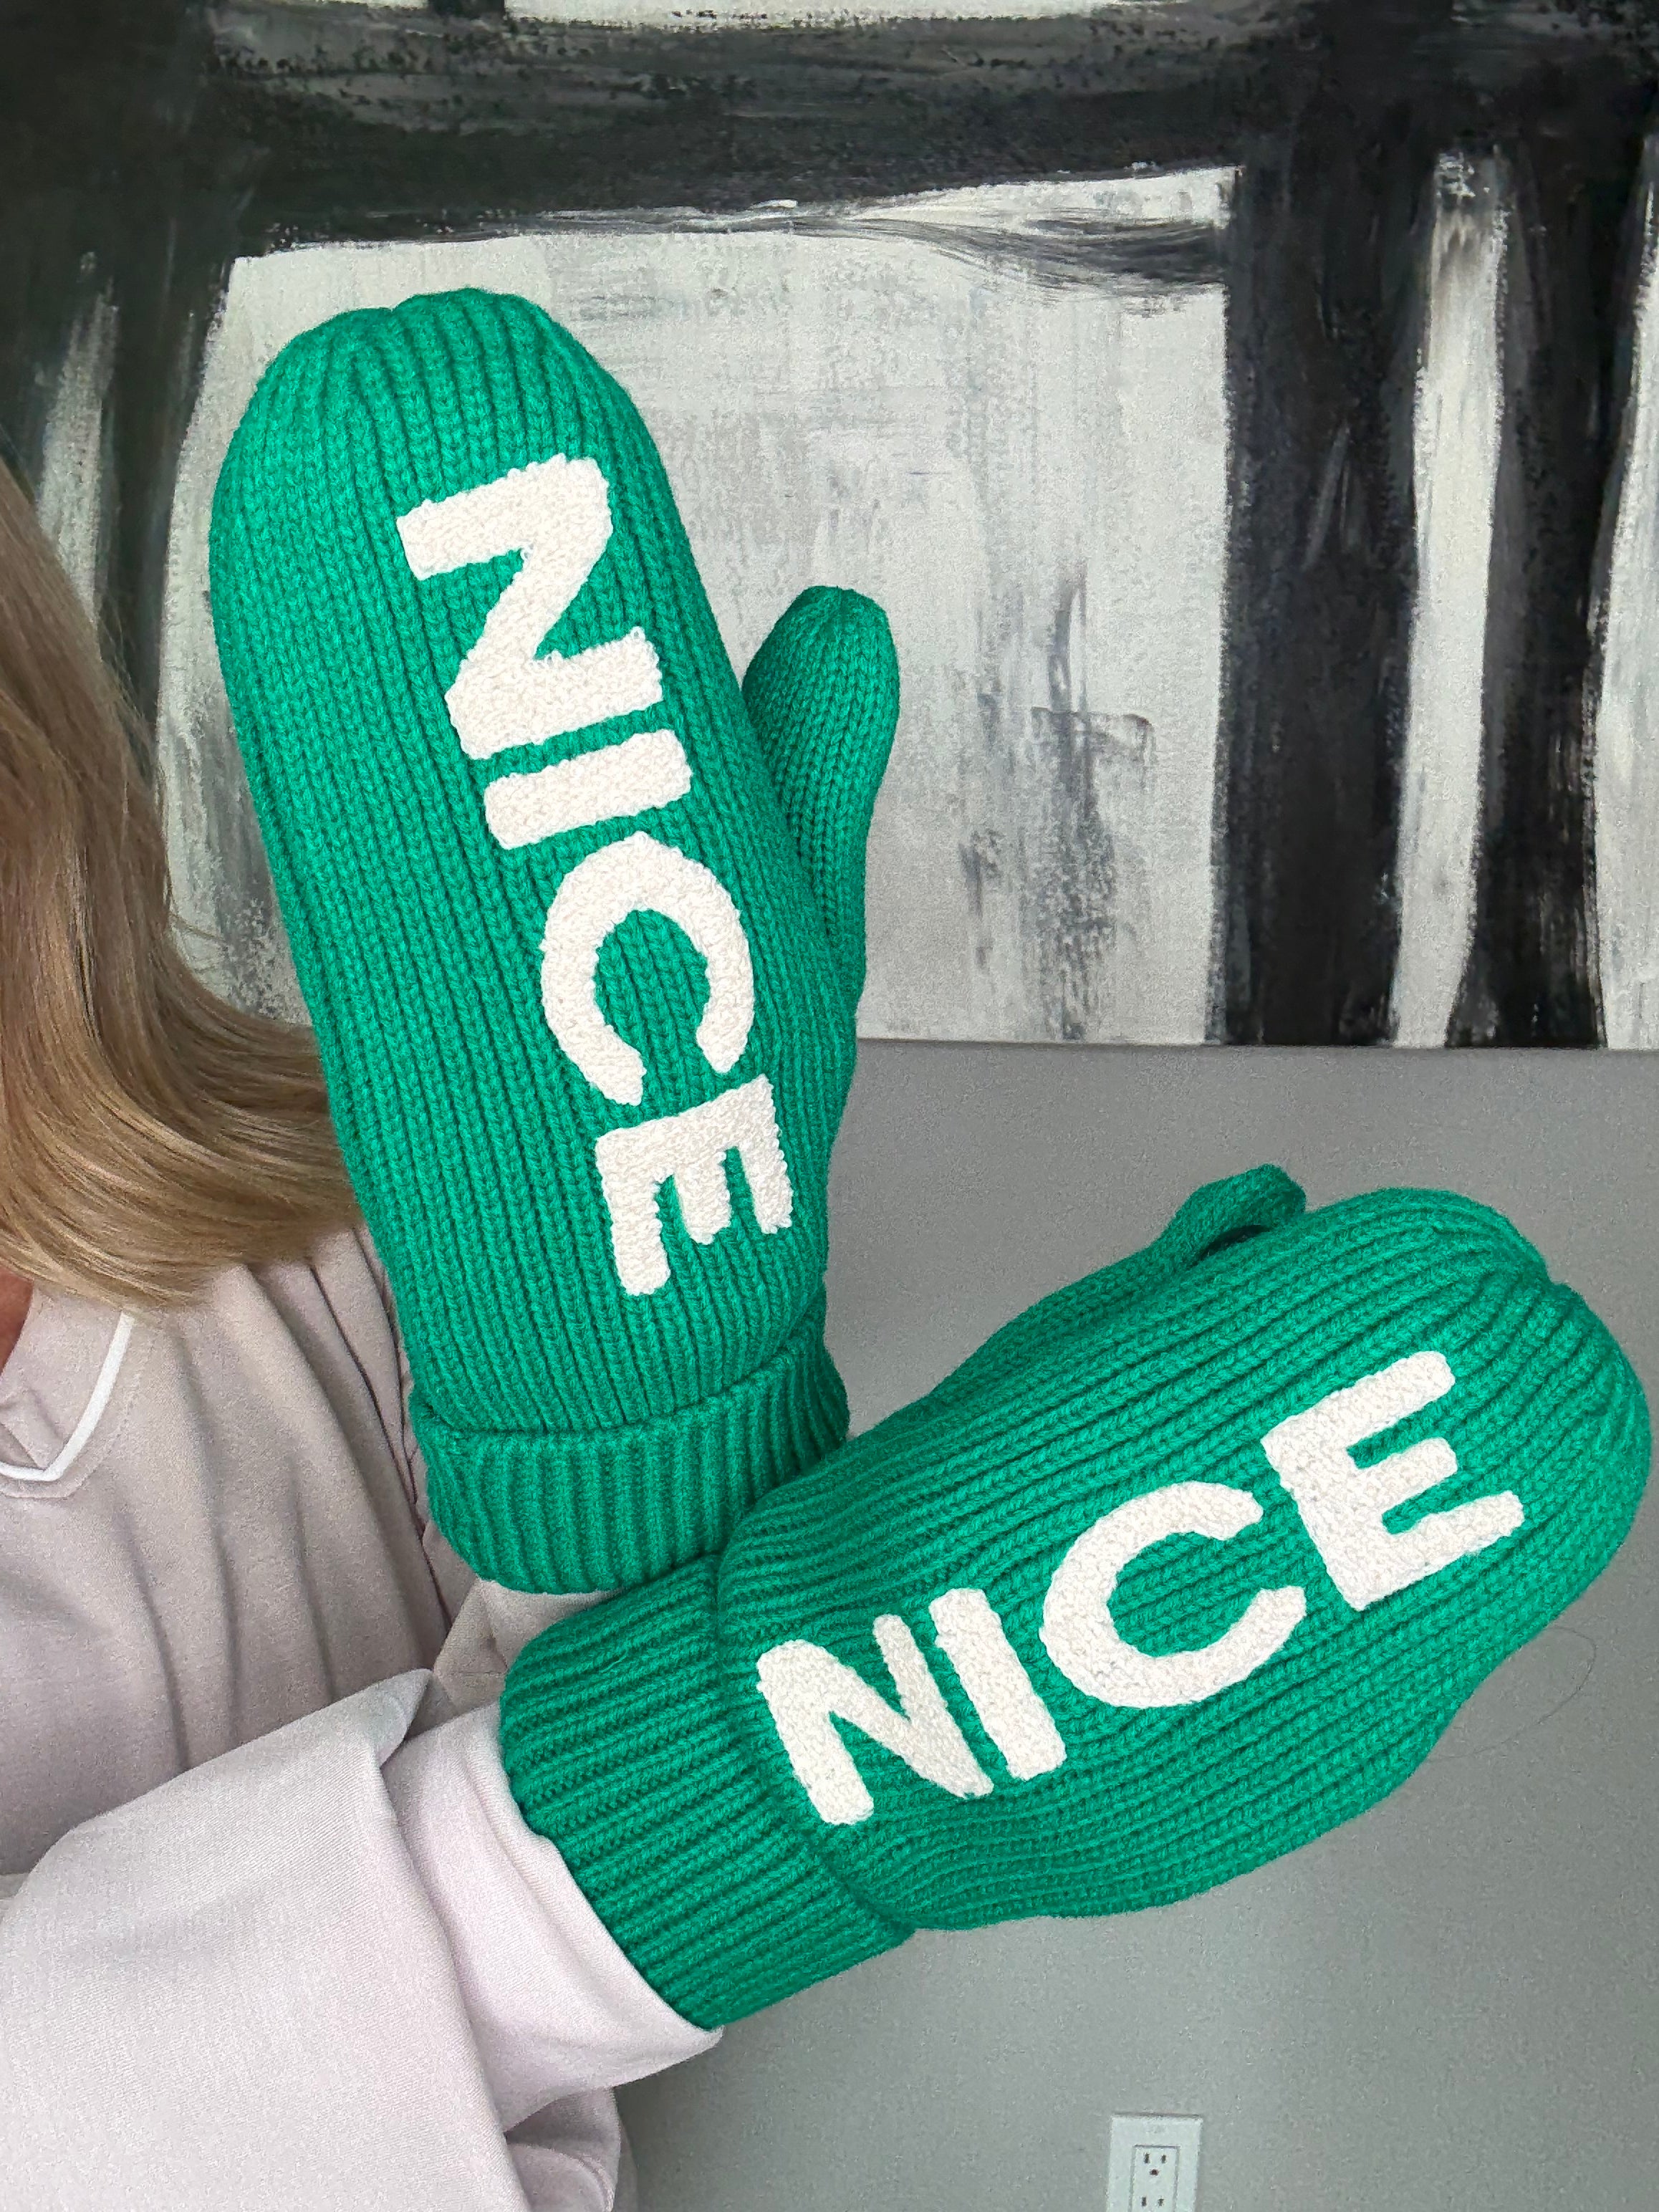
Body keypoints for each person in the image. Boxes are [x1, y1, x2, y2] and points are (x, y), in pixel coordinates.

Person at [0, 292, 1645, 2212]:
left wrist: (667, 1424)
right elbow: (615, 1829)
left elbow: (586, 1696)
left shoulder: (351, 1231)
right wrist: (759, 1788)